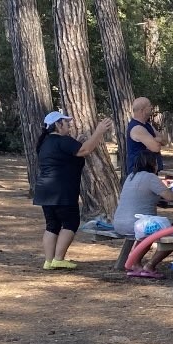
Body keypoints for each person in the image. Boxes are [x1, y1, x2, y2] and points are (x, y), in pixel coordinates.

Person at [33, 110, 111, 271]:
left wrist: (78, 142)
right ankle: (58, 258)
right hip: (62, 190)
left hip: (45, 191)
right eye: (66, 123)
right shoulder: (63, 140)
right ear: (58, 125)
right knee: (71, 223)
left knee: (52, 225)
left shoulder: (46, 142)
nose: (69, 126)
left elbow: (68, 154)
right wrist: (99, 132)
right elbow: (84, 151)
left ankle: (49, 261)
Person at [114, 151, 173, 278]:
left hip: (119, 223)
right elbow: (170, 197)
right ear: (152, 163)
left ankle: (135, 264)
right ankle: (150, 266)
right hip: (136, 224)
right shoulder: (150, 178)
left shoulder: (130, 177)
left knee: (148, 232)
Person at [123, 96, 163, 175]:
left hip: (149, 171)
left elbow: (164, 140)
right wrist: (156, 140)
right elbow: (156, 147)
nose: (152, 107)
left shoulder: (148, 125)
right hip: (139, 172)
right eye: (149, 105)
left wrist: (154, 139)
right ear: (142, 110)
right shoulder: (137, 128)